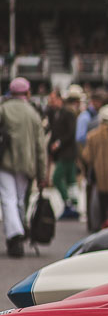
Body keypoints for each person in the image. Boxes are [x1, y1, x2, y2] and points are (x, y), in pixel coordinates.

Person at [0, 78, 47, 257]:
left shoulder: (3, 109)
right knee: (19, 200)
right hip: (26, 164)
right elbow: (40, 147)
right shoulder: (33, 113)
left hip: (4, 162)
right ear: (27, 93)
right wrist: (42, 174)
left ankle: (15, 234)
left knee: (8, 198)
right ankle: (19, 230)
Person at [50, 84, 83, 219]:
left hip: (67, 152)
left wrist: (58, 143)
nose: (51, 102)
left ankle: (69, 203)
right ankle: (73, 205)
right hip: (64, 153)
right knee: (71, 181)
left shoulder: (67, 113)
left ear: (59, 99)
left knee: (57, 178)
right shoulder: (56, 113)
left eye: (53, 99)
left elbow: (70, 133)